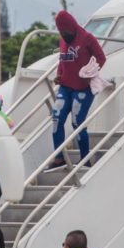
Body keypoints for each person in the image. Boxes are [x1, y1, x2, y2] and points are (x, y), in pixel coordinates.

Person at [45, 11, 107, 173]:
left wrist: (90, 74)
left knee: (77, 122)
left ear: (72, 27)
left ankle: (85, 159)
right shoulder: (63, 40)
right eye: (61, 32)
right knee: (56, 118)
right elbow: (62, 61)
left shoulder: (87, 38)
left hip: (82, 88)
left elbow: (101, 58)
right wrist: (59, 75)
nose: (64, 35)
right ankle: (59, 157)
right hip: (65, 86)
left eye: (66, 31)